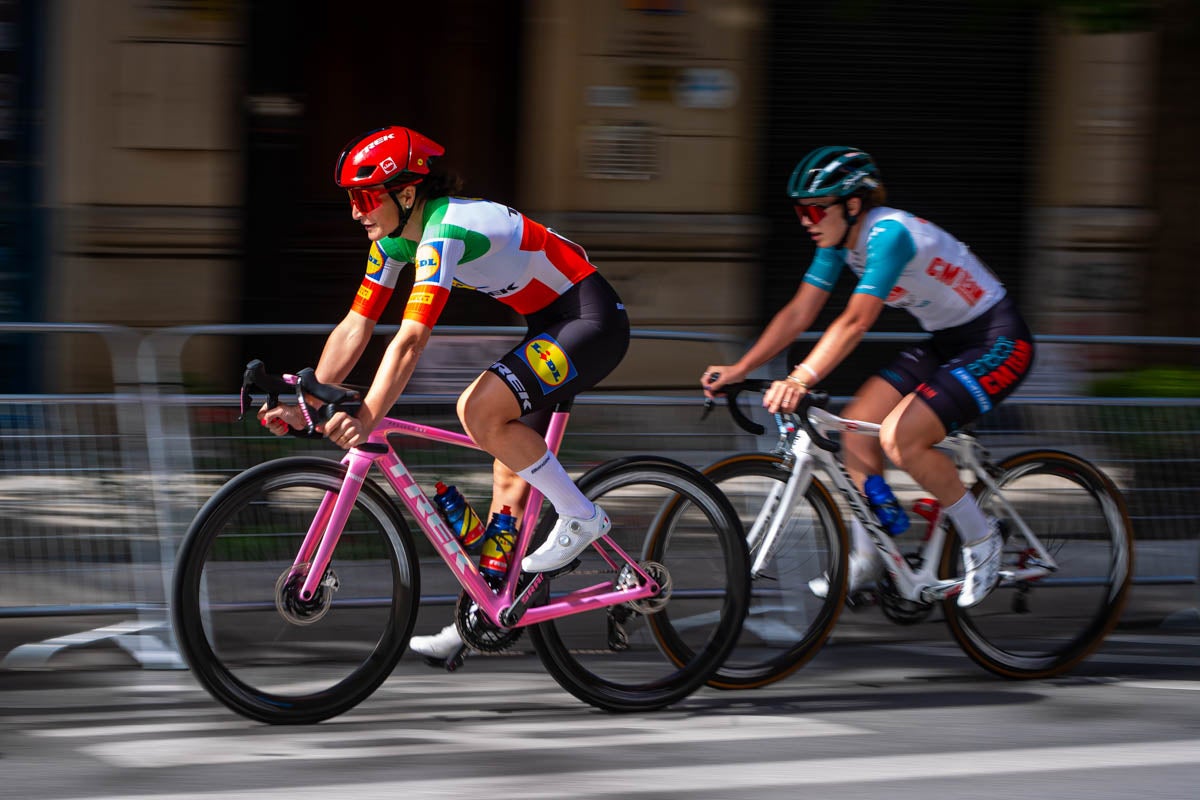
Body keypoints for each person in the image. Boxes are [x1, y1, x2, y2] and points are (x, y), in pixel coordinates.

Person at [259, 125, 630, 657]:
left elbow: (410, 340)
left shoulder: (444, 230)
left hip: (589, 321)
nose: (356, 212)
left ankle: (583, 516)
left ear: (406, 193)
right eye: (351, 200)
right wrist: (311, 398)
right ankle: (489, 616)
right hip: (549, 321)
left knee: (477, 410)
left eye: (365, 198)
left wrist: (365, 415)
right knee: (508, 474)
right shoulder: (392, 241)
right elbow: (356, 325)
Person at [701, 146, 1035, 608]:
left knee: (901, 438)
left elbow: (855, 322)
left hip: (998, 341)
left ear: (852, 205)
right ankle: (868, 558)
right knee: (855, 434)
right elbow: (800, 310)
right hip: (946, 341)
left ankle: (982, 541)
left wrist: (800, 378)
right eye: (799, 210)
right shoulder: (838, 244)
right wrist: (741, 368)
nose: (806, 220)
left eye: (815, 209)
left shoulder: (888, 234)